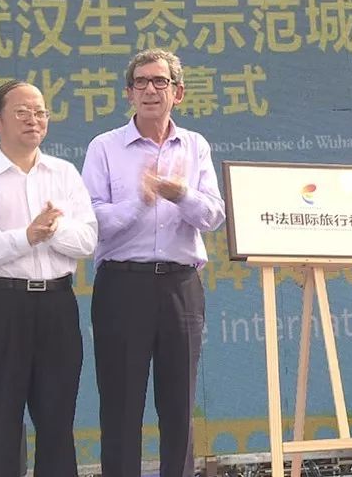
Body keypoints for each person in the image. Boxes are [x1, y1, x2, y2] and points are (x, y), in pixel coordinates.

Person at [81, 48, 225, 477]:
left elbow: (213, 215)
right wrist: (140, 202)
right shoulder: (104, 147)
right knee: (121, 405)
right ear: (128, 93)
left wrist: (180, 194)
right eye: (140, 82)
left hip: (181, 286)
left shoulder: (195, 146)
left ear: (177, 93)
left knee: (179, 406)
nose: (150, 90)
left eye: (160, 81)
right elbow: (91, 221)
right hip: (122, 285)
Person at [0, 80, 98, 477]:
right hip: (0, 305)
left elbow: (87, 240)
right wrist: (26, 237)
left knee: (57, 423)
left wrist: (52, 229)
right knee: (0, 423)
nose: (34, 119)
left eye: (40, 111)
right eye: (22, 112)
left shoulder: (64, 174)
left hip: (56, 305)